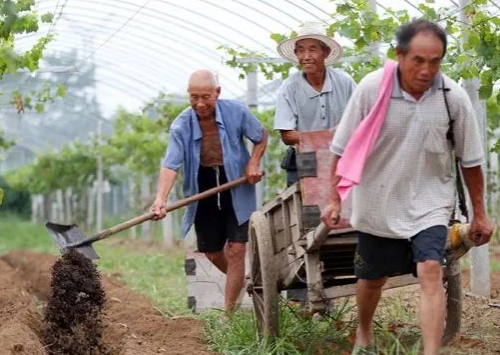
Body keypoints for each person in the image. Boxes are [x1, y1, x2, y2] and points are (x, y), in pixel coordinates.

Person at [321, 19, 493, 355]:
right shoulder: (372, 89)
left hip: (430, 202)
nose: (427, 70)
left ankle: (430, 352)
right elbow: (341, 149)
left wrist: (480, 214)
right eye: (418, 60)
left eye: (435, 61)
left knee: (430, 268)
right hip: (377, 202)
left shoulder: (451, 97)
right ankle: (365, 333)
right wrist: (333, 199)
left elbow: (470, 161)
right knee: (372, 280)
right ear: (400, 55)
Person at [150, 69, 268, 314]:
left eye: (206, 96)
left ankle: (228, 313)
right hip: (202, 186)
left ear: (218, 93)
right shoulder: (181, 125)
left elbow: (261, 135)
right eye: (194, 97)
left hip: (236, 182)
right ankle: (245, 281)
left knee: (236, 250)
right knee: (212, 253)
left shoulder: (236, 111)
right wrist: (160, 200)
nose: (200, 103)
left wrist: (253, 162)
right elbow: (171, 164)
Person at [274, 22, 356, 186]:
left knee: (345, 205)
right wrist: (328, 136)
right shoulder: (289, 88)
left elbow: (359, 121)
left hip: (340, 155)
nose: (306, 56)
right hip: (306, 157)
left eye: (312, 49)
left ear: (326, 52)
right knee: (309, 206)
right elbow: (287, 136)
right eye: (301, 50)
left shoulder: (344, 82)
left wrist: (317, 138)